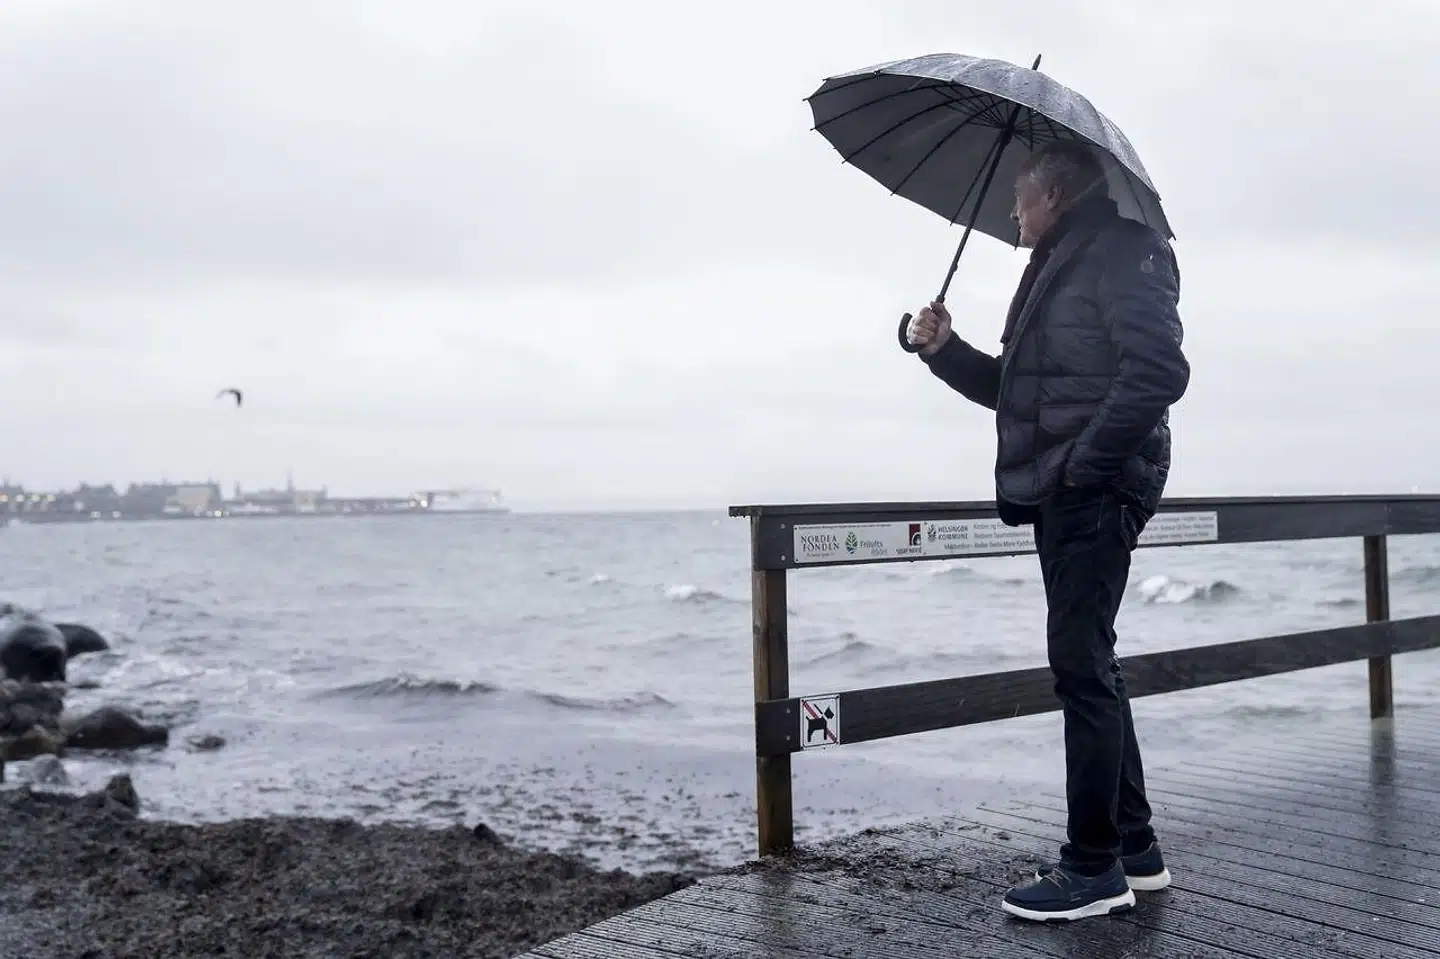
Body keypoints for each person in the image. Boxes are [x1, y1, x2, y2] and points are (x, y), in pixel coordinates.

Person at [907, 138, 1190, 923]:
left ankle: (1092, 867)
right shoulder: (1064, 261)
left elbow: (1159, 373)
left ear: (1055, 196)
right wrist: (942, 351)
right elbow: (1021, 396)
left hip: (1095, 489)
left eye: (1020, 199)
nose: (1011, 212)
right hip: (1072, 488)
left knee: (1079, 665)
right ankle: (1134, 847)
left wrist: (1085, 467)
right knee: (1090, 657)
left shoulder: (1124, 252)